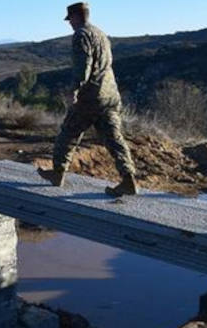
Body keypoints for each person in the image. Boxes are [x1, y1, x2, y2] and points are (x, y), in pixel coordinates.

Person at [38, 2, 138, 197]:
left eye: (70, 19)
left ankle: (58, 173)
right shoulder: (101, 34)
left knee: (68, 134)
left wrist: (75, 88)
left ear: (76, 17)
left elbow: (83, 66)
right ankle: (129, 180)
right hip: (109, 96)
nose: (69, 24)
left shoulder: (81, 35)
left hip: (90, 97)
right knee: (114, 139)